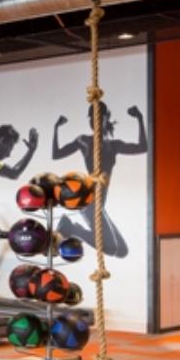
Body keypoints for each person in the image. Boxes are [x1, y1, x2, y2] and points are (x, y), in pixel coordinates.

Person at [52, 103, 149, 258]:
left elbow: (142, 147)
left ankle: (72, 228)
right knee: (110, 248)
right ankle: (71, 229)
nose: (93, 120)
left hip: (99, 203)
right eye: (90, 117)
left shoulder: (114, 145)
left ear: (105, 118)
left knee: (122, 251)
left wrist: (140, 118)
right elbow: (56, 154)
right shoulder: (84, 141)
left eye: (97, 116)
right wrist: (56, 128)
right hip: (89, 200)